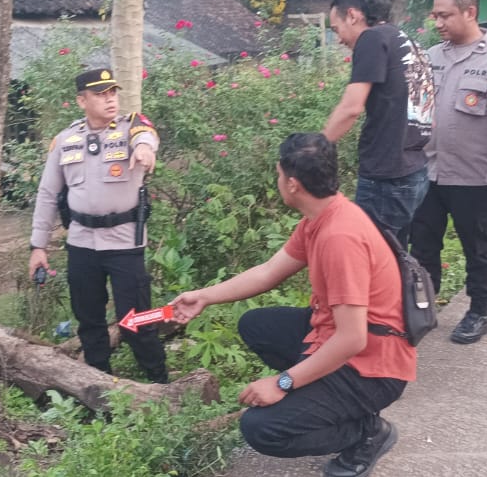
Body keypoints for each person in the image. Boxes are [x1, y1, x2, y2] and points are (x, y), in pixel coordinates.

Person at [170, 133, 414, 477]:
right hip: (337, 336)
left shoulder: (340, 238)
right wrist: (205, 296)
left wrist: (283, 382)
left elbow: (352, 339)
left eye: (279, 175)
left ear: (294, 184)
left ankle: (367, 433)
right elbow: (269, 271)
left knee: (262, 429)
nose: (279, 181)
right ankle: (323, 396)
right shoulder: (322, 216)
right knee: (257, 326)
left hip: (374, 367)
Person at [29, 68, 169, 384]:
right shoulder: (65, 140)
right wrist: (38, 246)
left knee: (136, 321)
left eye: (113, 93)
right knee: (88, 321)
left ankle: (160, 382)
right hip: (81, 244)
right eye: (100, 94)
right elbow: (48, 193)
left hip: (125, 243)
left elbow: (147, 137)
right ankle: (100, 387)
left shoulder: (133, 127)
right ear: (82, 100)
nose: (110, 100)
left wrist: (145, 150)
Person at [409, 0, 487, 345]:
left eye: (445, 15)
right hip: (428, 173)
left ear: (470, 12)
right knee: (422, 246)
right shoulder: (429, 57)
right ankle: (422, 311)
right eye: (435, 15)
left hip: (474, 176)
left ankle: (479, 310)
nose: (438, 22)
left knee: (477, 245)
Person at [323, 0, 432, 245]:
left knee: (371, 261)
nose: (338, 40)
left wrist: (316, 147)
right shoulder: (403, 39)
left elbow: (351, 107)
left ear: (353, 15)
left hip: (387, 176)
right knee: (396, 262)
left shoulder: (371, 39)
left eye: (336, 29)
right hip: (414, 169)